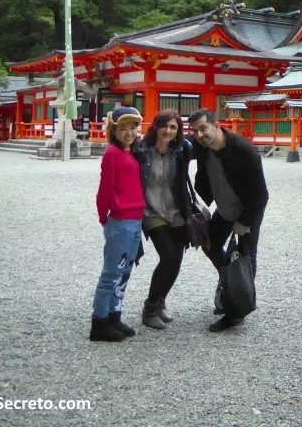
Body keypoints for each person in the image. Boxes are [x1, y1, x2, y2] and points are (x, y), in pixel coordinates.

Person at [187, 107, 269, 332]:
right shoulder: (202, 145)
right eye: (195, 131)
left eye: (203, 129)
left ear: (216, 126)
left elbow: (261, 195)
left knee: (244, 259)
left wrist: (244, 223)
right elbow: (177, 144)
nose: (199, 135)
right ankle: (230, 282)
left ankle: (236, 312)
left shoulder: (244, 151)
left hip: (247, 211)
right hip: (224, 209)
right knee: (210, 244)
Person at [90, 107, 145, 342]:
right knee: (111, 273)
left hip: (135, 220)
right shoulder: (112, 153)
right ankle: (99, 322)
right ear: (113, 130)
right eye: (123, 128)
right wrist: (104, 217)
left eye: (133, 127)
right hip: (121, 221)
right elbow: (104, 189)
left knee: (124, 272)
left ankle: (114, 315)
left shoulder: (131, 152)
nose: (129, 133)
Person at [137, 109, 195, 330]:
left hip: (176, 210)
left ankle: (161, 301)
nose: (167, 131)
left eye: (173, 127)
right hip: (151, 210)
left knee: (176, 259)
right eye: (164, 126)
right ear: (155, 126)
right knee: (168, 256)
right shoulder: (141, 150)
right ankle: (150, 308)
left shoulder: (182, 150)